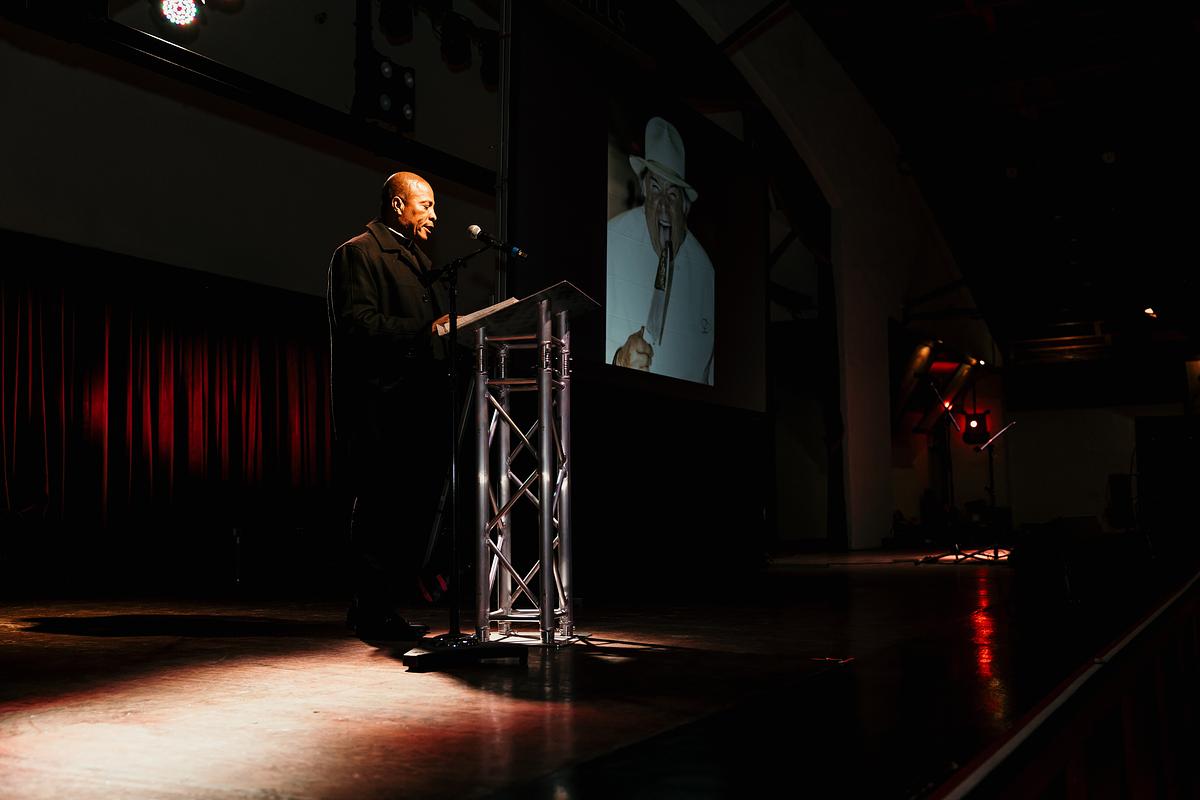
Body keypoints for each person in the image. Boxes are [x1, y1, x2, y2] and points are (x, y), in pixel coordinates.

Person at [326, 171, 447, 642]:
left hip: (411, 404)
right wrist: (425, 331)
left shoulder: (417, 260)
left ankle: (380, 607)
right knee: (377, 509)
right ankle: (370, 609)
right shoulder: (358, 253)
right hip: (376, 404)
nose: (434, 216)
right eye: (427, 205)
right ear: (398, 205)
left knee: (401, 511)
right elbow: (357, 323)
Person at [606, 116, 715, 385]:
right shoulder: (613, 240)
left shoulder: (704, 271)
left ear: (685, 207)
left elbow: (709, 371)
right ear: (644, 190)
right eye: (656, 188)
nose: (664, 206)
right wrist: (620, 359)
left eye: (673, 194)